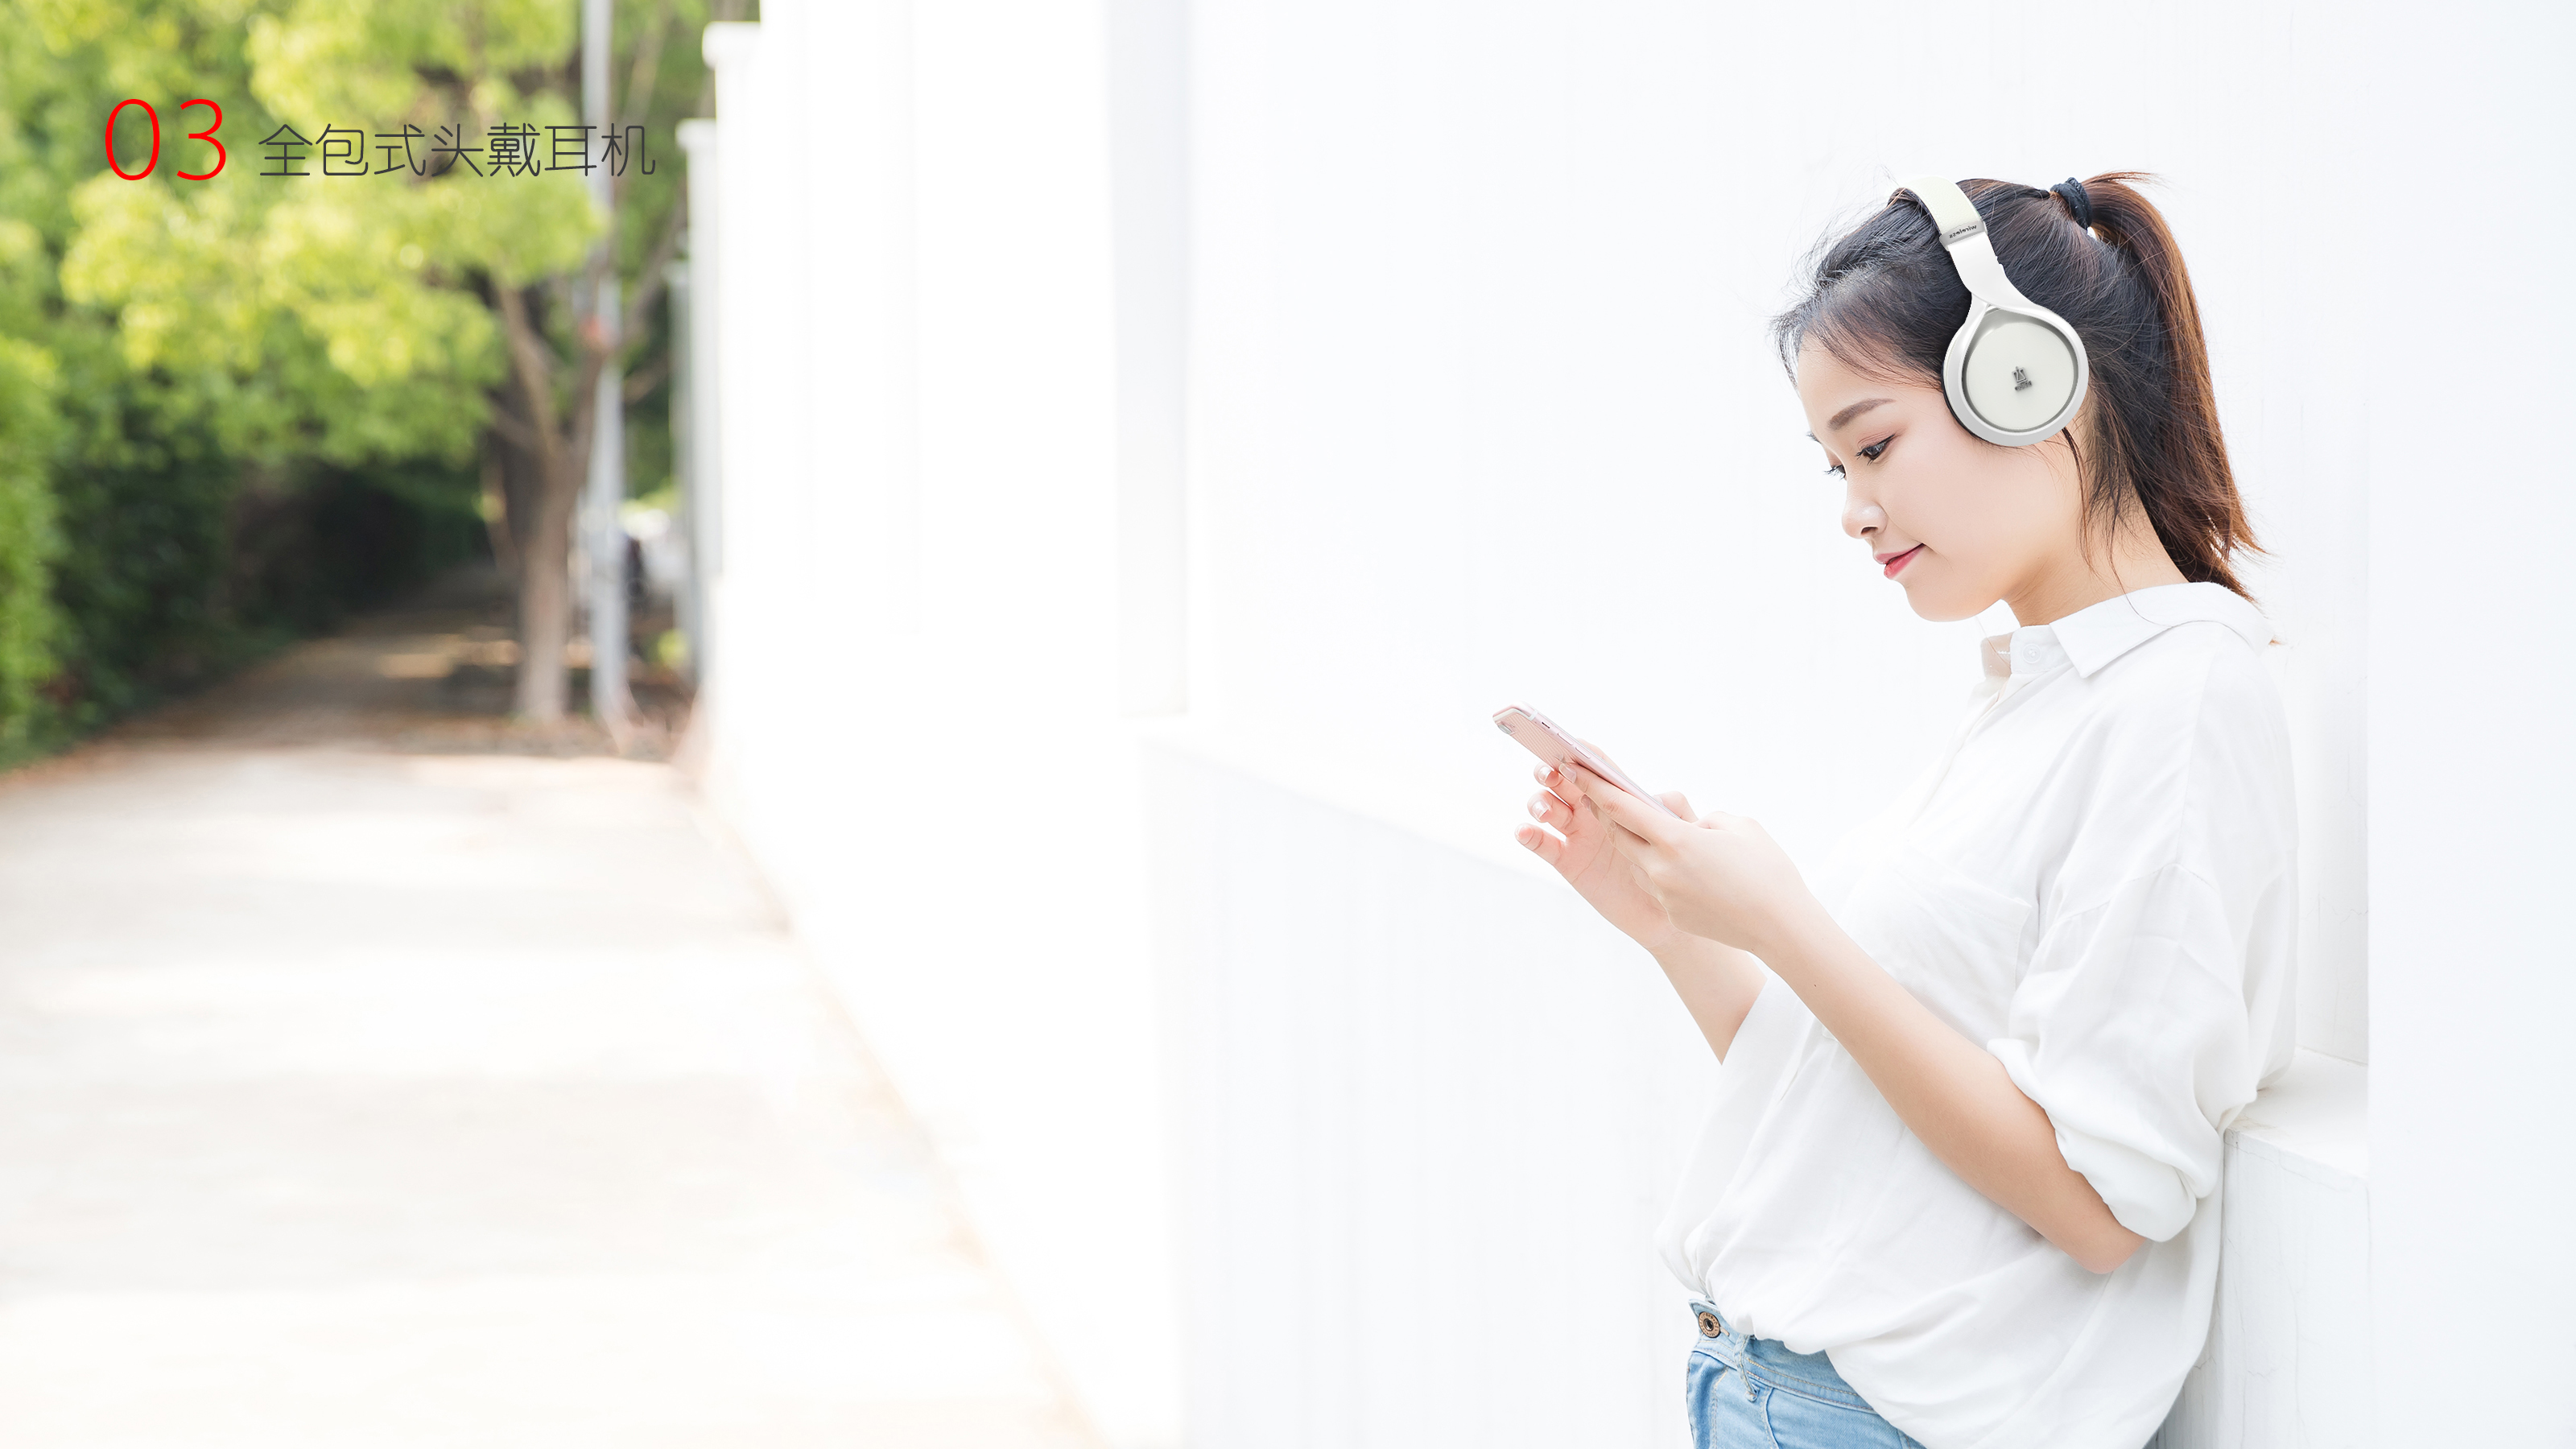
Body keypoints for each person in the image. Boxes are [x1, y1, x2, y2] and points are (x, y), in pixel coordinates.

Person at [1517, 174, 2295, 1449]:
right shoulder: (2043, 701)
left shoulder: (2180, 705)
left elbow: (2100, 1207)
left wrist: (1789, 922)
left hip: (1878, 1420)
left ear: (2028, 381)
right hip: (1773, 1393)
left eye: (1874, 445)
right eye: (1836, 464)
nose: (1851, 508)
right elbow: (1862, 1094)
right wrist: (1683, 932)